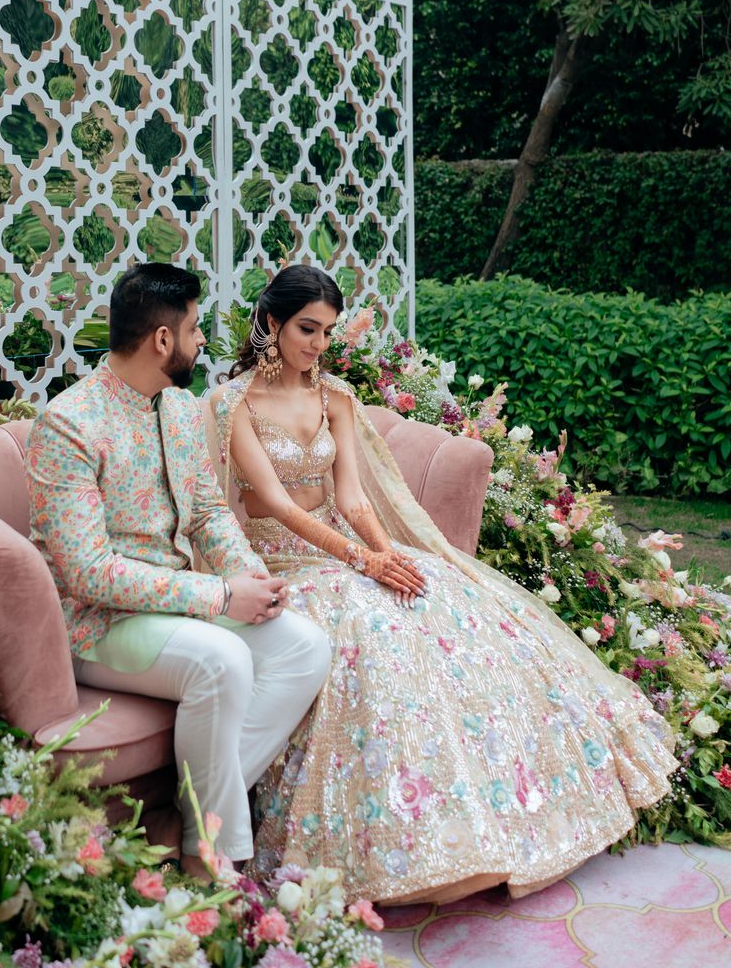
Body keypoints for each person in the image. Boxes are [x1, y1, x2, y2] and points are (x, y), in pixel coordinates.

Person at [206, 264, 678, 904]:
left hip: (345, 549)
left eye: (326, 332)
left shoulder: (335, 398)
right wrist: (361, 562)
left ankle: (501, 816)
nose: (318, 344)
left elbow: (350, 496)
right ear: (270, 323)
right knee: (370, 624)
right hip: (285, 562)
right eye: (306, 329)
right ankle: (401, 843)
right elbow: (274, 502)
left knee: (438, 596)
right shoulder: (233, 404)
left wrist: (382, 552)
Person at [25, 263, 331, 879]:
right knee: (221, 660)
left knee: (305, 646)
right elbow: (88, 572)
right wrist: (221, 596)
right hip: (96, 623)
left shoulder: (182, 409)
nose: (201, 343)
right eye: (194, 330)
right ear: (162, 340)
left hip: (173, 606)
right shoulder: (68, 424)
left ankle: (177, 818)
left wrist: (253, 580)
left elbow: (209, 515)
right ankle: (212, 862)